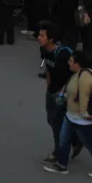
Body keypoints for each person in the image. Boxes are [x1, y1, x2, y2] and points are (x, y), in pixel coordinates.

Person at [44, 51, 92, 178]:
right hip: (71, 116)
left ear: (77, 64)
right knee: (64, 140)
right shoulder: (77, 74)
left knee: (89, 144)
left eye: (70, 61)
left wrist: (86, 115)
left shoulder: (85, 78)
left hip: (82, 120)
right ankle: (62, 165)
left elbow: (83, 99)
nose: (68, 62)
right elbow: (72, 91)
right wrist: (63, 97)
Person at [38, 21, 77, 165]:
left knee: (56, 123)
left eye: (42, 35)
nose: (38, 37)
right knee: (51, 120)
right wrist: (49, 85)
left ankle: (58, 153)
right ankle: (77, 140)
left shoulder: (63, 54)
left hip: (63, 94)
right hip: (51, 91)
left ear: (51, 39)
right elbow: (48, 67)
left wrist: (63, 92)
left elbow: (74, 72)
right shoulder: (43, 50)